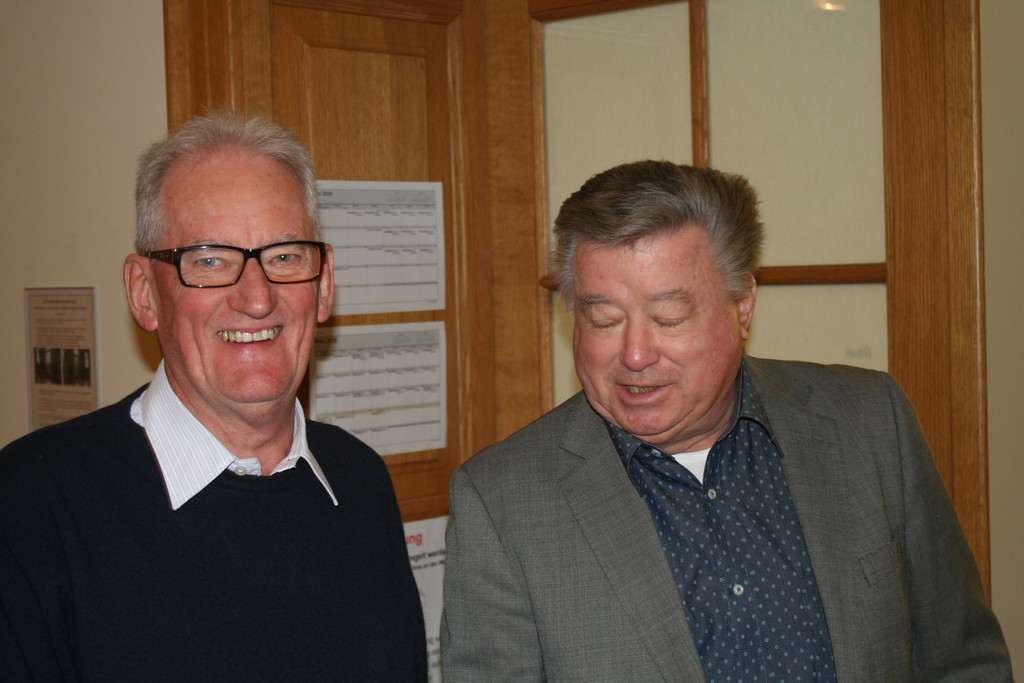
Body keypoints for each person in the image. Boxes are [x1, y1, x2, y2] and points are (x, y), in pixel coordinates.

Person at [440, 160, 1012, 681]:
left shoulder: (868, 422)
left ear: (742, 307)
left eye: (668, 317)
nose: (635, 355)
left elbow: (962, 661)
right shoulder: (503, 502)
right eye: (604, 320)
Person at [0, 112, 427, 681]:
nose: (257, 298)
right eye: (208, 260)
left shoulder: (358, 479)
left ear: (324, 285)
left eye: (284, 256)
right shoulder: (32, 504)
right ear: (144, 292)